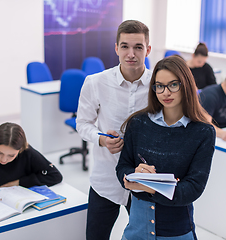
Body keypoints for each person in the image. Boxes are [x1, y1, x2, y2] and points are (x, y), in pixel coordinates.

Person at [116, 56, 216, 239]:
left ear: (185, 84)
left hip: (176, 228)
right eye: (159, 86)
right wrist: (131, 174)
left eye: (173, 85)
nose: (165, 92)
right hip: (137, 225)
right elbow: (122, 167)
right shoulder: (138, 123)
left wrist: (152, 187)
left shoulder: (203, 132)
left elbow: (193, 188)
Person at [76, 20, 152, 240]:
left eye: (138, 47)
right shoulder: (95, 82)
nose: (131, 53)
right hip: (105, 178)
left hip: (143, 180)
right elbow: (82, 124)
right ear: (116, 48)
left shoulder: (158, 85)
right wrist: (101, 139)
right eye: (125, 46)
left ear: (147, 49)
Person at [0, 122, 63, 201]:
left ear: (20, 149)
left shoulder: (26, 152)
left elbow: (54, 175)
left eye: (11, 155)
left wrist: (19, 183)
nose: (4, 160)